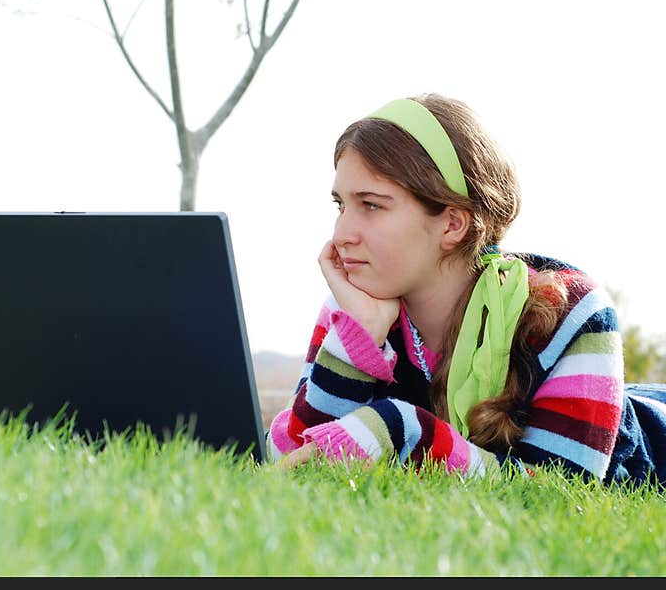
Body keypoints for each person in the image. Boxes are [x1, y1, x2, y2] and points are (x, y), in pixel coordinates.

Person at [267, 93, 666, 487]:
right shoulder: (357, 305)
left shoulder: (572, 309)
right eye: (340, 205)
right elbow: (293, 460)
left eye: (371, 205)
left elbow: (560, 490)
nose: (341, 235)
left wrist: (403, 430)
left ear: (452, 224)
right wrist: (358, 337)